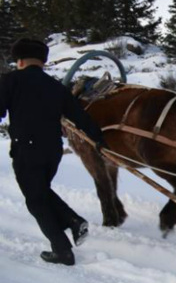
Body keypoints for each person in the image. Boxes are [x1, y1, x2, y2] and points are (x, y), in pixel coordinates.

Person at [0, 38, 106, 266]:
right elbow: (79, 117)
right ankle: (72, 221)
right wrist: (99, 139)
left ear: (20, 61)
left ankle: (63, 249)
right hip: (52, 151)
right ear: (42, 62)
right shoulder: (56, 86)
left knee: (35, 201)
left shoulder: (11, 80)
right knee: (40, 192)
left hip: (27, 149)